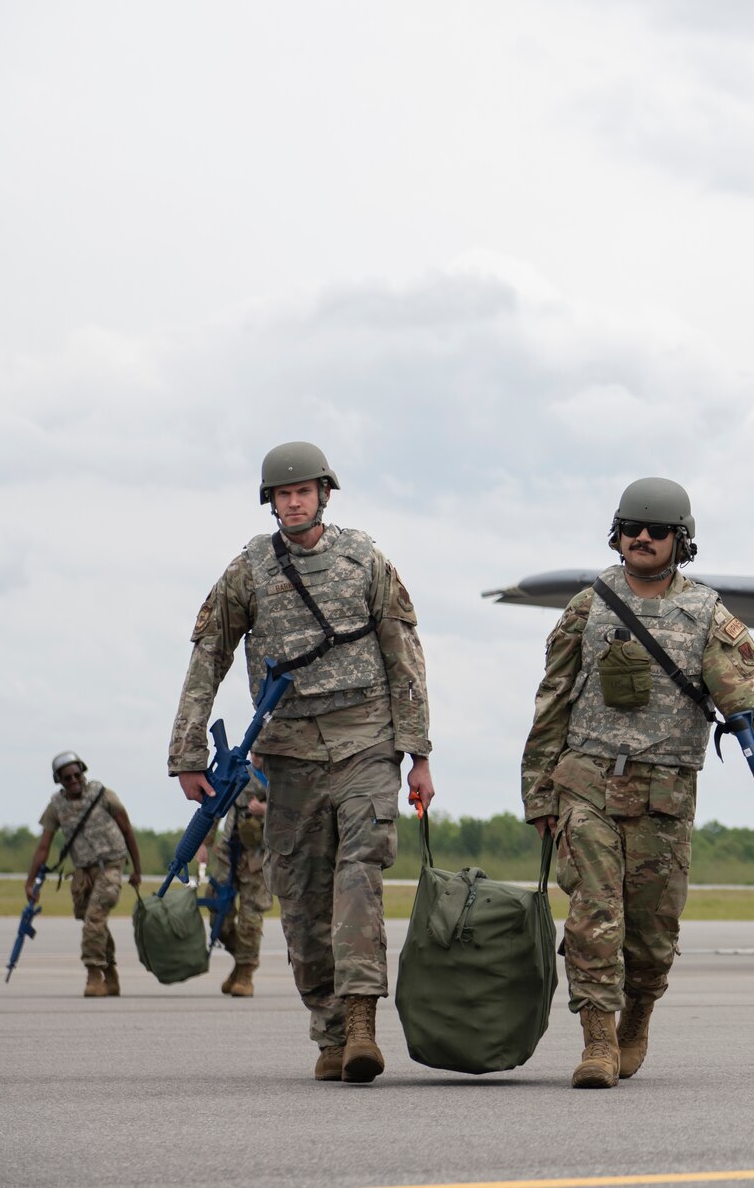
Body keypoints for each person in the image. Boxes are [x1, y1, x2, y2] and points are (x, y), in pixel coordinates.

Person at [521, 477, 754, 1089]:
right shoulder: (589, 606)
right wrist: (539, 790)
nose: (643, 539)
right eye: (633, 529)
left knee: (653, 938)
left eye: (657, 531)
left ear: (681, 541)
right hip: (588, 783)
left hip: (664, 797)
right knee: (593, 916)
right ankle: (598, 1041)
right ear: (617, 534)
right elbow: (552, 701)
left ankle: (637, 1018)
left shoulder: (706, 616)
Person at [170, 441, 434, 1084]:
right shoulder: (249, 571)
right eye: (281, 494)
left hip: (365, 745)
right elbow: (209, 656)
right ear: (272, 502)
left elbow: (405, 656)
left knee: (358, 880)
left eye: (303, 492)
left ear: (324, 494)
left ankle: (363, 1024)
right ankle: (330, 1029)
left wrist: (418, 752)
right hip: (286, 757)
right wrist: (187, 751)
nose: (292, 501)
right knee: (301, 896)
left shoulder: (365, 559)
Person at [26, 752, 143, 997]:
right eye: (67, 778)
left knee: (94, 920)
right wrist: (31, 882)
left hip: (112, 864)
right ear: (59, 780)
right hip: (83, 871)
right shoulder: (55, 807)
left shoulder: (104, 796)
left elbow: (127, 831)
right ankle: (110, 975)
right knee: (94, 922)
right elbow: (44, 847)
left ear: (83, 772)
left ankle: (94, 976)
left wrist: (137, 870)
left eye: (77, 775)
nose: (74, 780)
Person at [195, 771, 271, 997]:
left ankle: (245, 974)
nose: (258, 757)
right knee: (219, 914)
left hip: (259, 858)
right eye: (255, 752)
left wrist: (266, 810)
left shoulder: (282, 774)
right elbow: (214, 807)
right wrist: (203, 844)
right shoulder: (238, 774)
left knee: (251, 919)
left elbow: (299, 811)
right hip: (229, 855)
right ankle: (241, 964)